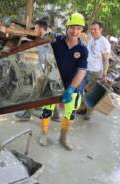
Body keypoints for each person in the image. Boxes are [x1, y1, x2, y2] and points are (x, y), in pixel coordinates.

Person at [38, 13, 88, 151]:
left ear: (81, 30)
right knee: (46, 112)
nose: (74, 31)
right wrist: (45, 39)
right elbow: (42, 49)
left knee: (69, 114)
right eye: (72, 27)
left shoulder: (82, 50)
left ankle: (63, 138)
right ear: (67, 27)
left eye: (78, 28)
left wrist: (71, 88)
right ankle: (43, 134)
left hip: (72, 87)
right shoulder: (57, 41)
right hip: (52, 84)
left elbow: (82, 71)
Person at [15, 19, 60, 122]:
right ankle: (56, 115)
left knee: (35, 92)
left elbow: (50, 55)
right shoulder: (45, 37)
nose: (35, 30)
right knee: (48, 93)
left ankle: (27, 114)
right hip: (47, 70)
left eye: (35, 28)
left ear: (40, 28)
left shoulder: (49, 36)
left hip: (47, 71)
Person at [81, 21, 111, 120]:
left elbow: (106, 60)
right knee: (81, 89)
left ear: (100, 29)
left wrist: (104, 74)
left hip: (96, 72)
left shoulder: (104, 42)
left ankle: (88, 113)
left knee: (92, 93)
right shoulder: (91, 40)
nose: (93, 31)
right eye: (92, 29)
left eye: (95, 29)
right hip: (86, 70)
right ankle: (83, 108)